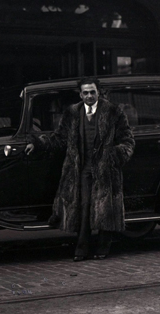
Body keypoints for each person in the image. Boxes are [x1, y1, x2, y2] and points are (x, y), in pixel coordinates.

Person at [25, 77, 135, 262]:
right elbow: (59, 138)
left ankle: (103, 247)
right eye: (86, 92)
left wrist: (114, 156)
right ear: (80, 94)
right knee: (84, 207)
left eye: (92, 92)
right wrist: (38, 144)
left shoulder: (113, 112)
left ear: (98, 92)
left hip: (106, 169)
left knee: (104, 209)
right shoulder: (73, 112)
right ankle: (82, 248)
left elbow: (128, 141)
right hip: (82, 169)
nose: (89, 96)